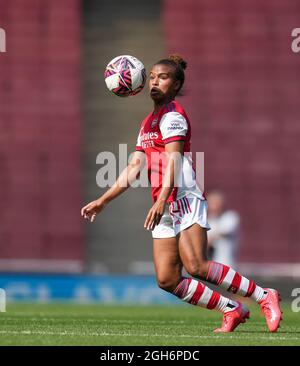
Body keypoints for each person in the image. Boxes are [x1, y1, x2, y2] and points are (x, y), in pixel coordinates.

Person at [81, 54, 282, 333]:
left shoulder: (173, 115)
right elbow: (135, 165)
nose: (154, 81)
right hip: (163, 200)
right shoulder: (147, 123)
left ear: (175, 85)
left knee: (197, 265)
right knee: (167, 279)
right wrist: (103, 201)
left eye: (162, 77)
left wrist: (163, 199)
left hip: (182, 195)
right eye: (151, 76)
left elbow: (174, 160)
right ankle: (231, 308)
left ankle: (264, 296)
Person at [207, 190, 240, 268]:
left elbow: (225, 230)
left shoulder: (230, 217)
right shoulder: (206, 221)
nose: (215, 205)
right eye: (212, 202)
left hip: (226, 265)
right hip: (209, 267)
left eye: (217, 202)